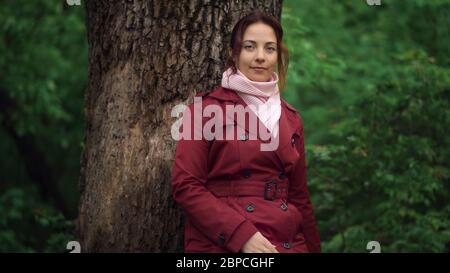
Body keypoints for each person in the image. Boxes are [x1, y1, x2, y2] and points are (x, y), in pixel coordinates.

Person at [171, 11, 321, 253]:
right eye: (250, 47)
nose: (260, 57)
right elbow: (186, 186)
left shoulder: (292, 119)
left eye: (270, 49)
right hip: (223, 242)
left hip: (288, 244)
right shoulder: (204, 110)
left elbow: (299, 197)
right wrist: (241, 236)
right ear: (234, 53)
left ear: (277, 56)